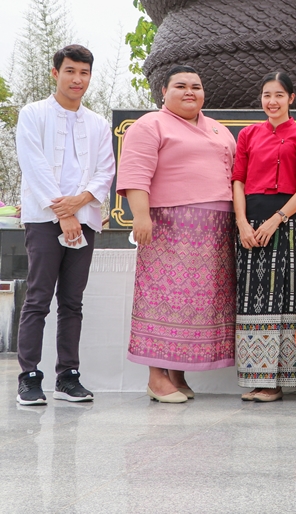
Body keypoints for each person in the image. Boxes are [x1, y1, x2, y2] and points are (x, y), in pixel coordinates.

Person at [117, 65, 237, 403]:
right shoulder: (149, 125)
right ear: (163, 93)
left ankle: (177, 374)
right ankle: (156, 379)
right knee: (164, 300)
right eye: (181, 86)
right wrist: (141, 216)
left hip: (214, 230)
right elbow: (136, 174)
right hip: (169, 225)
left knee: (195, 305)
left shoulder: (218, 130)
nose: (190, 92)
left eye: (196, 87)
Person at [14, 44, 116, 405]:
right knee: (39, 297)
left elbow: (106, 171)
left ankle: (67, 376)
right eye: (70, 71)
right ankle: (28, 377)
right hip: (45, 218)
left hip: (85, 220)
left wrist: (80, 204)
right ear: (55, 74)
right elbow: (34, 165)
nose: (78, 79)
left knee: (72, 301)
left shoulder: (98, 123)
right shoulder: (33, 113)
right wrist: (64, 212)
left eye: (84, 72)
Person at [232, 71, 296, 402]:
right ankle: (256, 376)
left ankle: (275, 382)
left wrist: (277, 220)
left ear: (291, 99)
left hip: (285, 222)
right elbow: (238, 180)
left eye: (279, 95)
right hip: (249, 222)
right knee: (251, 297)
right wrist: (242, 223)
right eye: (267, 95)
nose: (272, 101)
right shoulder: (248, 134)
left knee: (280, 297)